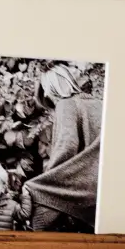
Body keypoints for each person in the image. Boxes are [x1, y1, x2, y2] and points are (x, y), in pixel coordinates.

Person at [24, 64, 102, 230]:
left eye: (46, 88)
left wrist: (48, 177)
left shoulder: (65, 104)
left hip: (83, 182)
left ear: (54, 86)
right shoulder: (99, 103)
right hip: (101, 181)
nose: (46, 94)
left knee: (34, 190)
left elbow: (67, 146)